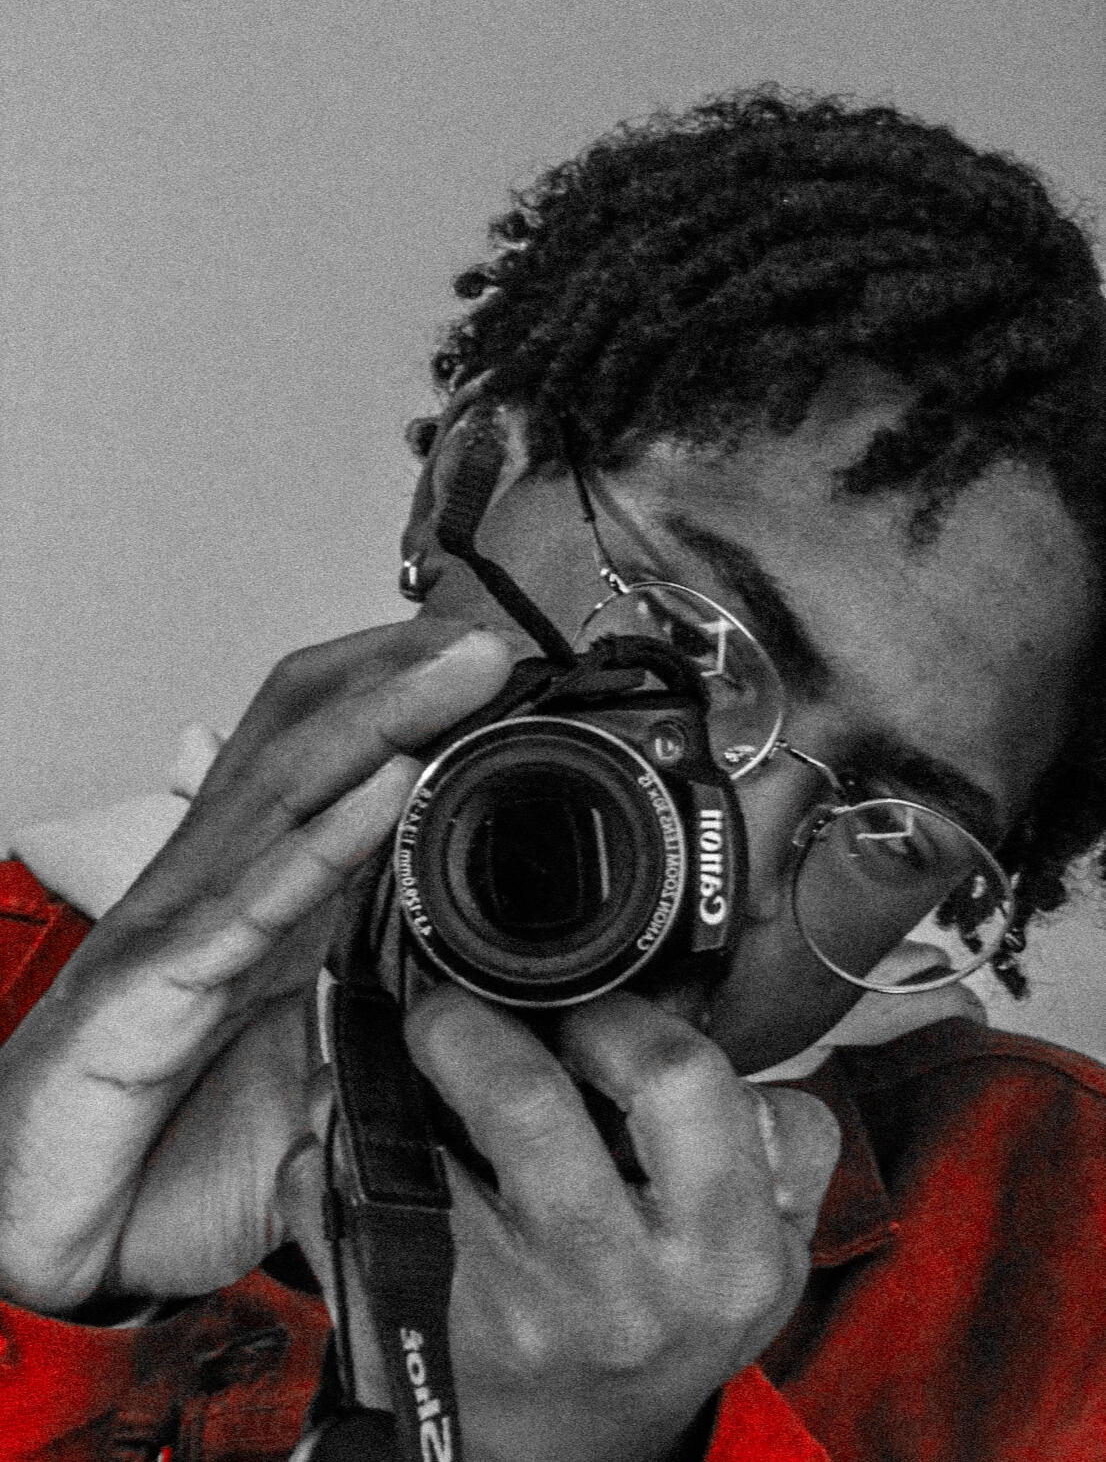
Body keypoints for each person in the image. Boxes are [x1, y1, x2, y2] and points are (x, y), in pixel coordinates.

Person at [2, 87, 1106, 1462]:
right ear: (468, 480)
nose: (740, 844)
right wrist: (33, 1291)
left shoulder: (1052, 1270)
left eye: (889, 829)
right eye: (687, 643)